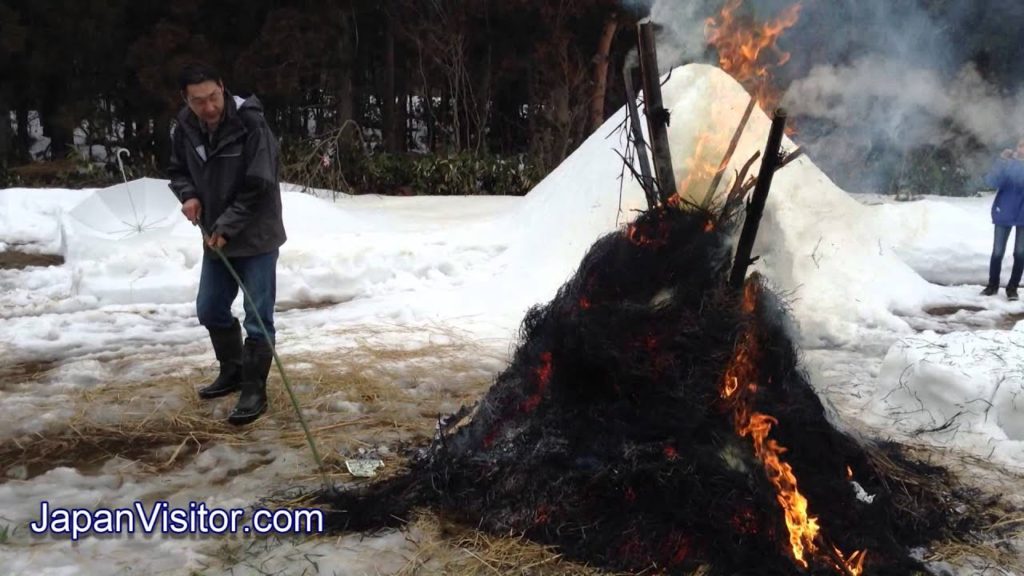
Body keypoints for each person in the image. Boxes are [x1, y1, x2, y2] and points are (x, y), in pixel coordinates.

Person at [167, 62, 286, 425]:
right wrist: (187, 195)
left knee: (257, 317)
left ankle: (255, 390)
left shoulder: (251, 123)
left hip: (255, 236)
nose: (209, 108)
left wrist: (228, 225)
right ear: (186, 101)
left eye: (213, 97)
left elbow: (259, 183)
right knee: (210, 308)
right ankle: (232, 372)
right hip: (215, 235)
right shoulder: (185, 128)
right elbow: (178, 170)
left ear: (223, 87)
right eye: (198, 101)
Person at [981, 138, 1024, 301]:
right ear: (1016, 147)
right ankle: (992, 285)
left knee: (1020, 253)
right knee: (997, 252)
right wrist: (1001, 162)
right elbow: (991, 182)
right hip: (1004, 212)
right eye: (1021, 146)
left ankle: (1012, 288)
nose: (1023, 150)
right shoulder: (1007, 164)